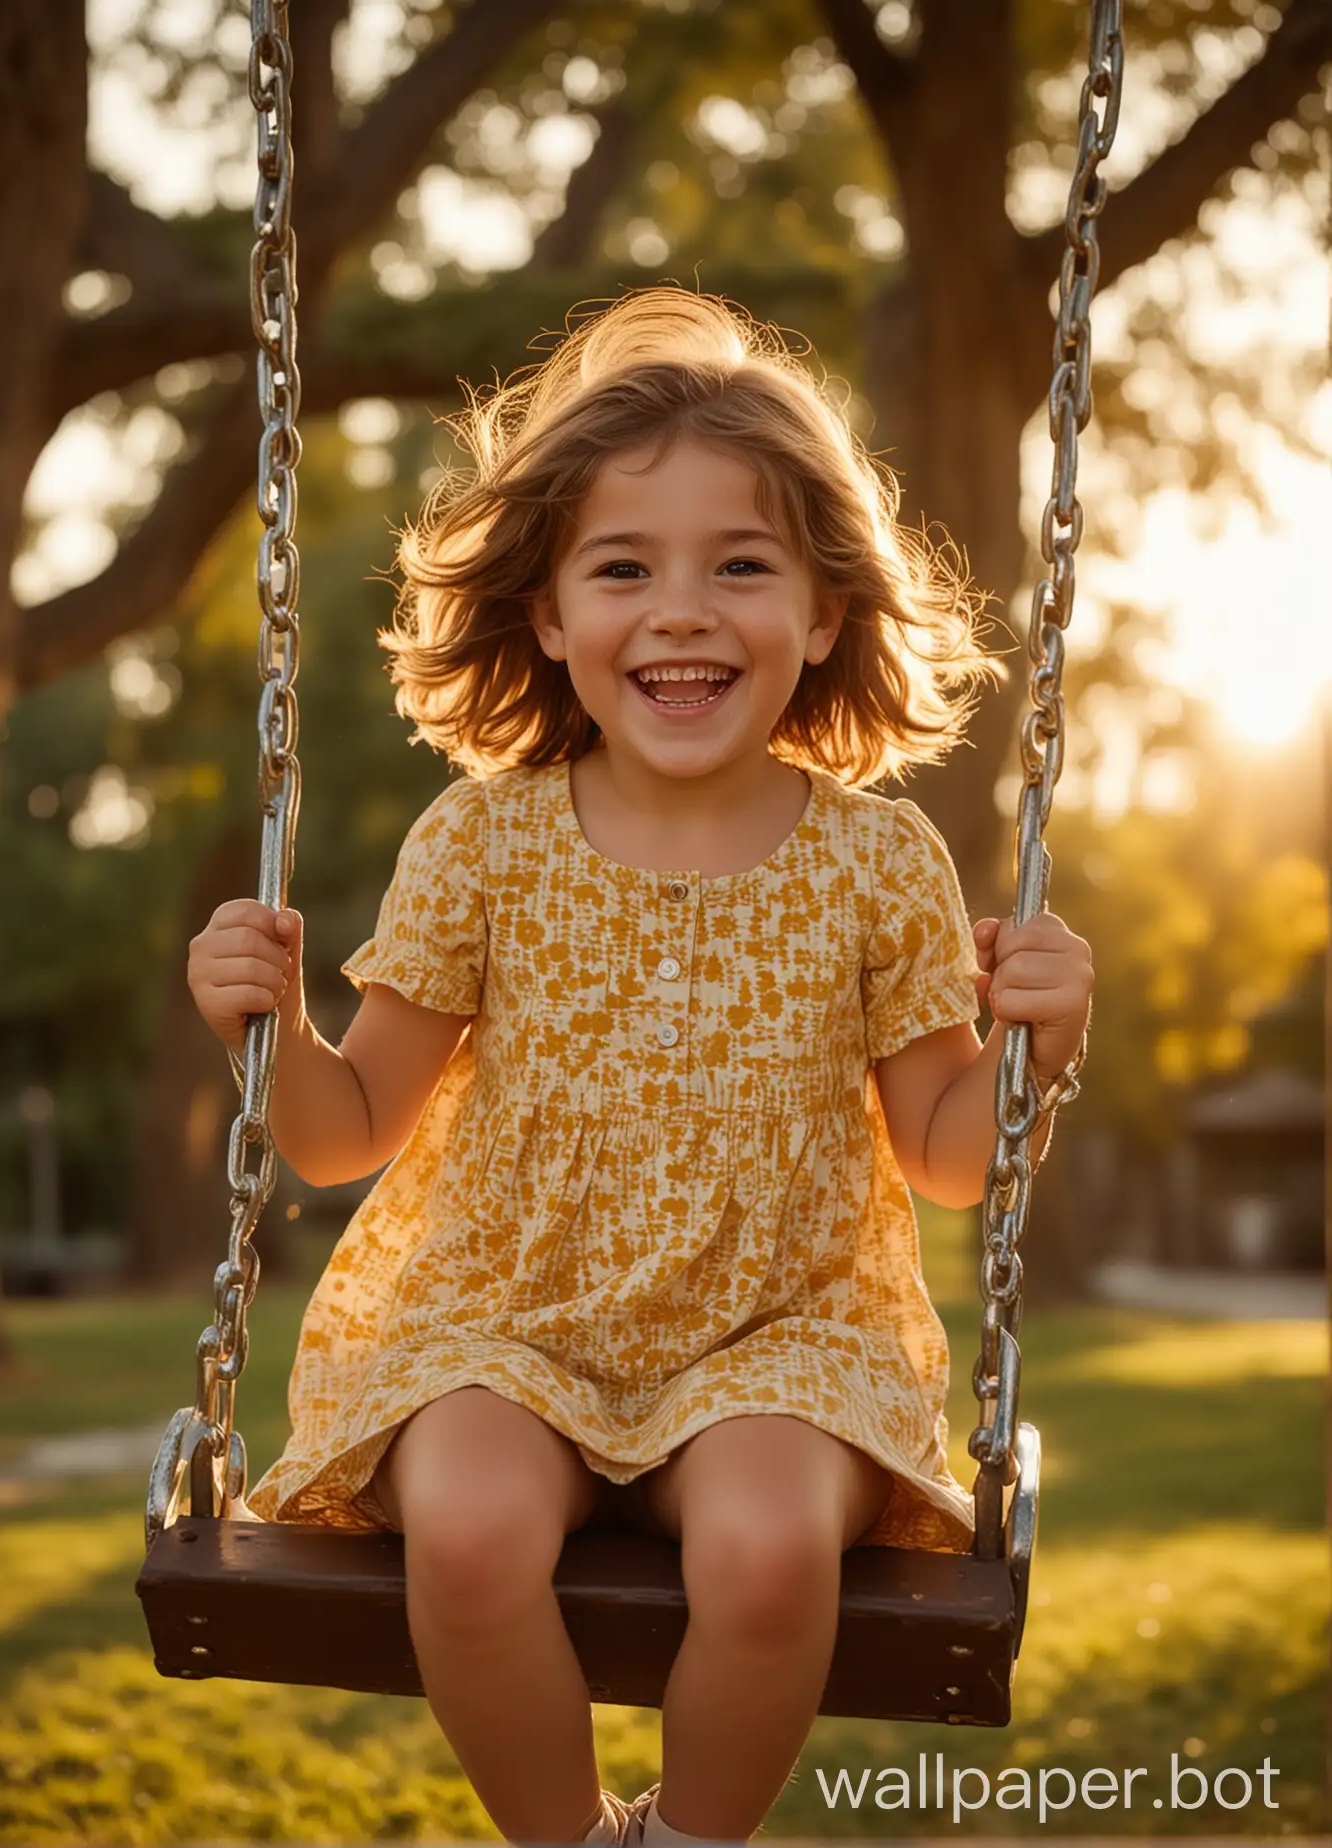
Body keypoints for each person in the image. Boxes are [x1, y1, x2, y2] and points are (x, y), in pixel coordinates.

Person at [187, 285, 1094, 1847]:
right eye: (624, 569)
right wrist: (265, 1033)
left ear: (822, 615)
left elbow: (948, 1157)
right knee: (465, 1532)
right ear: (551, 616)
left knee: (762, 1550)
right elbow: (345, 1136)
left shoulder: (880, 865)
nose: (681, 611)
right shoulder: (483, 838)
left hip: (778, 1338)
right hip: (499, 1323)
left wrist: (1039, 1054)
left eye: (740, 566)